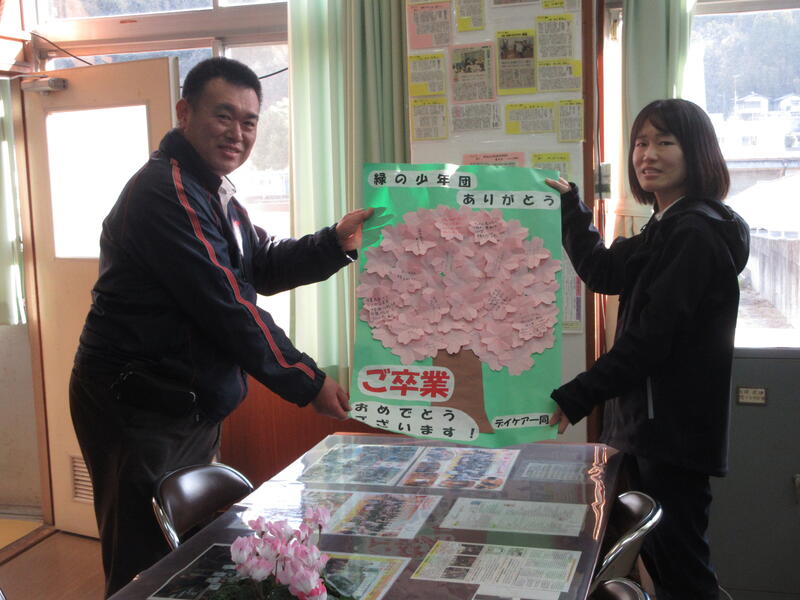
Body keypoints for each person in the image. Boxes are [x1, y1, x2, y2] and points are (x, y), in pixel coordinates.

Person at [69, 57, 372, 597]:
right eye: (223, 115)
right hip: (137, 406)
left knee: (185, 553)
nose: (238, 133)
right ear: (185, 113)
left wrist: (334, 242)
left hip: (184, 402)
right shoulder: (165, 192)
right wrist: (308, 380)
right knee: (144, 561)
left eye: (249, 121)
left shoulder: (213, 190)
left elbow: (262, 263)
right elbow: (228, 304)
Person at [545, 99, 749, 600]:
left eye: (664, 142)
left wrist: (577, 394)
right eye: (640, 142)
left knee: (684, 571)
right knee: (664, 563)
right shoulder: (665, 225)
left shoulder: (695, 232)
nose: (647, 154)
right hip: (648, 430)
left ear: (696, 151)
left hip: (671, 433)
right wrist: (571, 206)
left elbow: (651, 340)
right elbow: (604, 272)